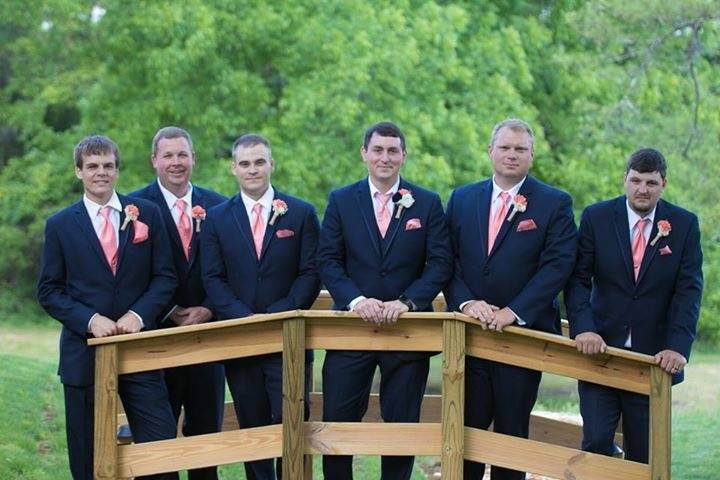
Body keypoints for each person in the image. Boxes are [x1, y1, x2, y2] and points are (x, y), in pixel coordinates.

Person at [37, 135, 178, 480]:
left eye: (108, 166)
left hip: (140, 351)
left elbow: (165, 278)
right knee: (87, 457)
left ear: (117, 169)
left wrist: (138, 315)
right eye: (93, 166)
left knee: (159, 448)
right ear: (78, 172)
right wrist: (89, 319)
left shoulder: (148, 214)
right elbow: (49, 290)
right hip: (84, 355)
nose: (101, 172)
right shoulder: (60, 225)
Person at [318, 121, 453, 480]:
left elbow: (440, 263)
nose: (385, 157)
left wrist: (407, 302)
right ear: (364, 153)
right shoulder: (342, 201)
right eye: (378, 150)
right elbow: (328, 260)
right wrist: (356, 300)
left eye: (393, 150)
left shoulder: (426, 203)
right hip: (349, 334)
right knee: (338, 425)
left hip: (408, 334)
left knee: (402, 427)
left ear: (404, 156)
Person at [444, 118, 577, 480]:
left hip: (522, 338)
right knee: (464, 432)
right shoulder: (461, 199)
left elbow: (557, 266)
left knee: (511, 435)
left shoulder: (554, 203)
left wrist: (514, 312)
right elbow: (445, 260)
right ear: (490, 151)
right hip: (467, 339)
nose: (511, 155)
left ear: (532, 155)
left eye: (520, 149)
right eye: (504, 147)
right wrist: (468, 303)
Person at [565, 147, 703, 462]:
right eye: (636, 180)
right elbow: (577, 280)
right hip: (600, 353)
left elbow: (688, 290)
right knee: (597, 442)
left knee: (645, 454)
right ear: (624, 179)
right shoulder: (596, 218)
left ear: (663, 184)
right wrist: (583, 328)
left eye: (651, 183)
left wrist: (677, 347)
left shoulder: (683, 225)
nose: (642, 189)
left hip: (653, 360)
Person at [201, 133, 319, 480]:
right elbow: (213, 277)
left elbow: (310, 273)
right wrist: (244, 317)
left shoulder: (300, 213)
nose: (253, 169)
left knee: (292, 424)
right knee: (251, 426)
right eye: (245, 163)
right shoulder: (217, 218)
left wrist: (277, 314)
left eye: (259, 162)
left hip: (289, 338)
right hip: (240, 340)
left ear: (271, 165)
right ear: (233, 169)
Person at [131, 126, 226, 479]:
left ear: (194, 159)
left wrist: (210, 308)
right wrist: (168, 309)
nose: (176, 162)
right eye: (168, 155)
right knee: (158, 439)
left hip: (207, 340)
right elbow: (131, 274)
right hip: (157, 339)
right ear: (154, 160)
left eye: (182, 155)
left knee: (206, 441)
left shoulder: (218, 205)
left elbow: (230, 267)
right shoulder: (134, 208)